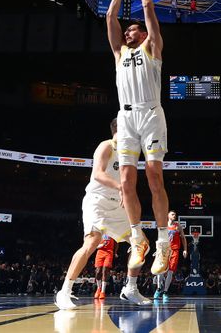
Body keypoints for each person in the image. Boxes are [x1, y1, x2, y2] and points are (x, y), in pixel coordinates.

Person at [106, 0, 171, 276]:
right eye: (128, 30)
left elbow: (148, 10)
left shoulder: (153, 48)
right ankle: (137, 238)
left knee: (154, 177)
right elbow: (109, 16)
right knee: (125, 183)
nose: (130, 31)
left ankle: (162, 243)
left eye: (135, 29)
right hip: (127, 119)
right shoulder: (119, 54)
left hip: (150, 115)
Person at [55, 119, 150, 309]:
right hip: (97, 200)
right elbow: (98, 174)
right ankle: (64, 291)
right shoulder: (106, 146)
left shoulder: (128, 153)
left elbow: (130, 187)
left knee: (142, 244)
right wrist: (120, 188)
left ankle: (130, 289)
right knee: (92, 241)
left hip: (117, 205)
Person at [154, 210, 187, 302]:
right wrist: (157, 250)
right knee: (160, 270)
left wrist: (185, 249)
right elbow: (159, 238)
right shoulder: (163, 225)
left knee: (170, 271)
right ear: (168, 215)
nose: (174, 216)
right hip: (164, 249)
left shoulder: (178, 226)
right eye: (172, 214)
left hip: (174, 250)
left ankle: (165, 292)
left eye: (175, 215)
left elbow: (183, 238)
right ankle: (159, 288)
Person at [93, 235, 117, 299]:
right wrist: (100, 245)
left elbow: (117, 242)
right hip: (100, 251)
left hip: (109, 252)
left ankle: (103, 292)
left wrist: (115, 252)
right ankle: (98, 288)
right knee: (98, 272)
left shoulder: (112, 232)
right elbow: (94, 244)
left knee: (105, 271)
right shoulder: (100, 231)